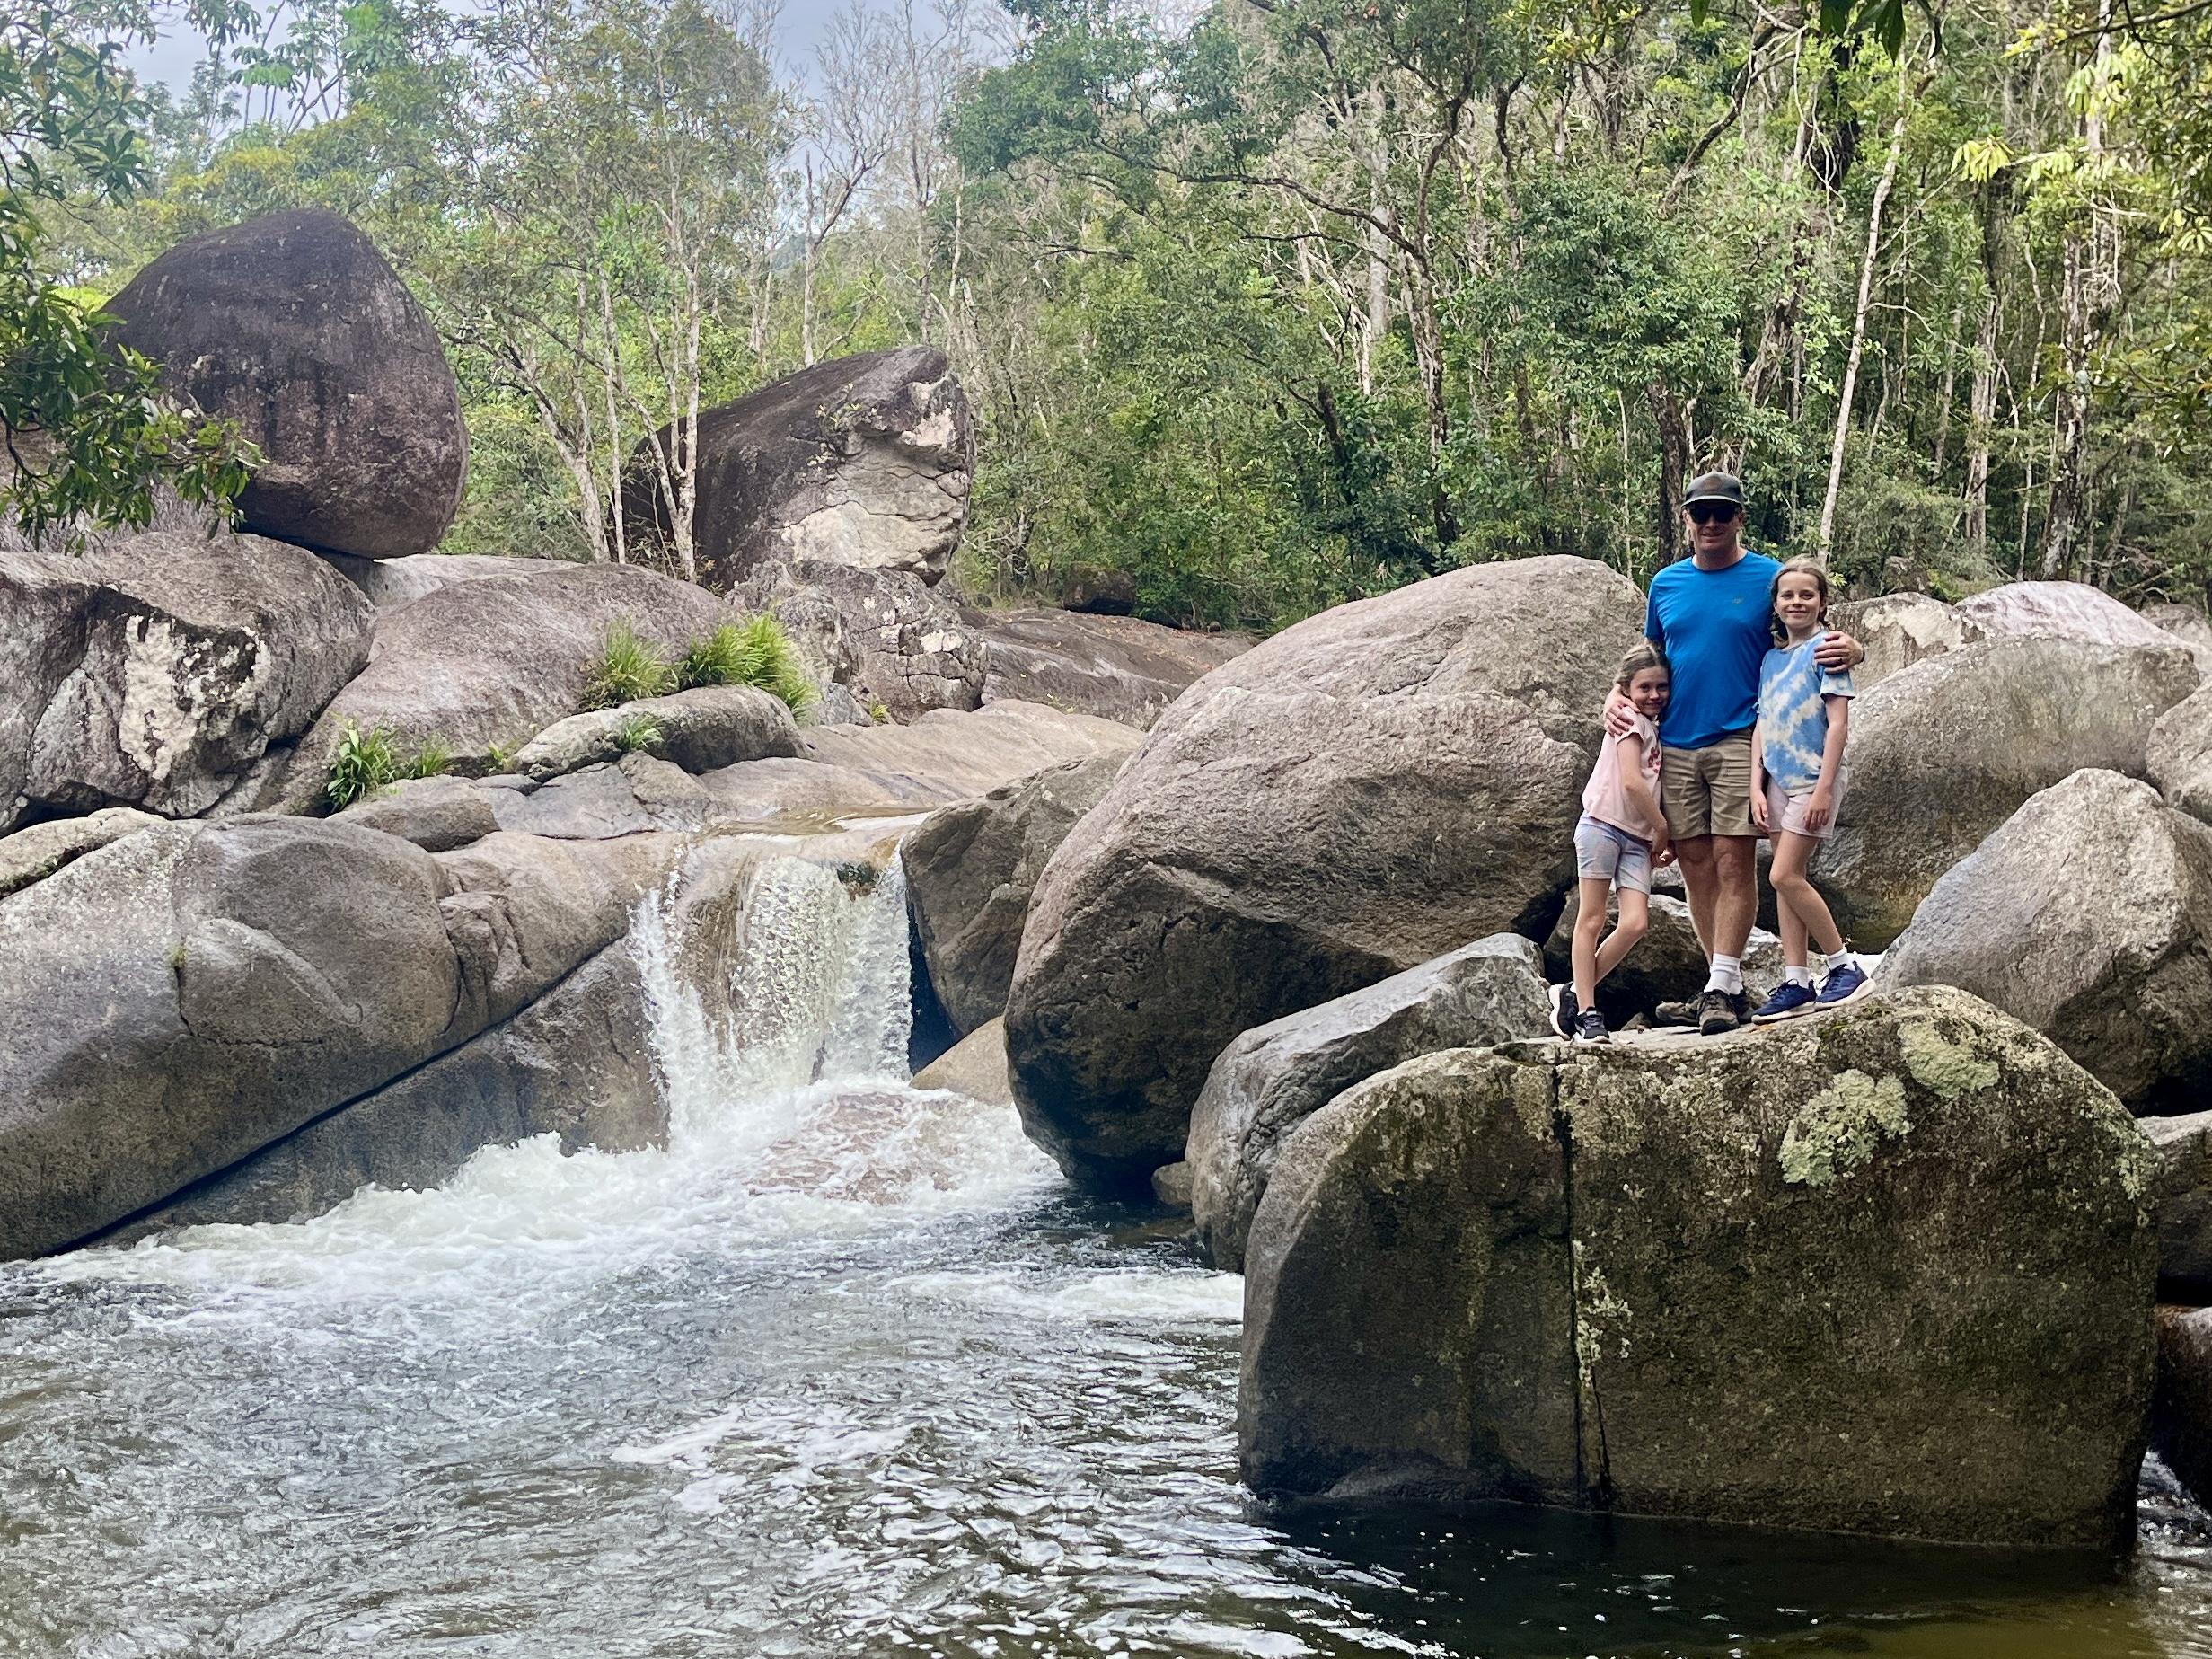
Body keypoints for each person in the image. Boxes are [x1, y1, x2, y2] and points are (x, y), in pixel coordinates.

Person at [1607, 472, 1864, 1036]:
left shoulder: (1768, 575)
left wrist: (1856, 645)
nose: (1712, 523)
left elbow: (1808, 625)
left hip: (1741, 739)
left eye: (1723, 512)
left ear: (1739, 517)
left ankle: (1721, 985)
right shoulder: (1666, 584)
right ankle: (1725, 984)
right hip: (1676, 742)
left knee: (1734, 861)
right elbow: (1649, 654)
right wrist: (1615, 694)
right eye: (1702, 513)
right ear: (1688, 519)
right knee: (1696, 865)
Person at [1748, 560, 1870, 1019]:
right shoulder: (1771, 659)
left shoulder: (1828, 650)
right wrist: (1756, 786)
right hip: (1777, 781)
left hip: (1813, 781)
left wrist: (1823, 791)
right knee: (1787, 880)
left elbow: (1838, 725)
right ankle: (1796, 979)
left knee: (1783, 875)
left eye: (1807, 595)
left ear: (1822, 602)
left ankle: (1844, 966)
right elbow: (1762, 724)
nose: (1797, 603)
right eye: (1788, 596)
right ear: (1776, 605)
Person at [1552, 642, 1675, 1045]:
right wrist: (1663, 828)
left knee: (1636, 922)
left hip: (1636, 838)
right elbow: (1630, 782)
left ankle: (1571, 991)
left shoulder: (1655, 725)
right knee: (1591, 917)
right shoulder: (1627, 718)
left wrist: (1653, 831)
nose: (1654, 695)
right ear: (1626, 688)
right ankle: (1588, 1012)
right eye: (1645, 688)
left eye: (1661, 687)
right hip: (1603, 826)